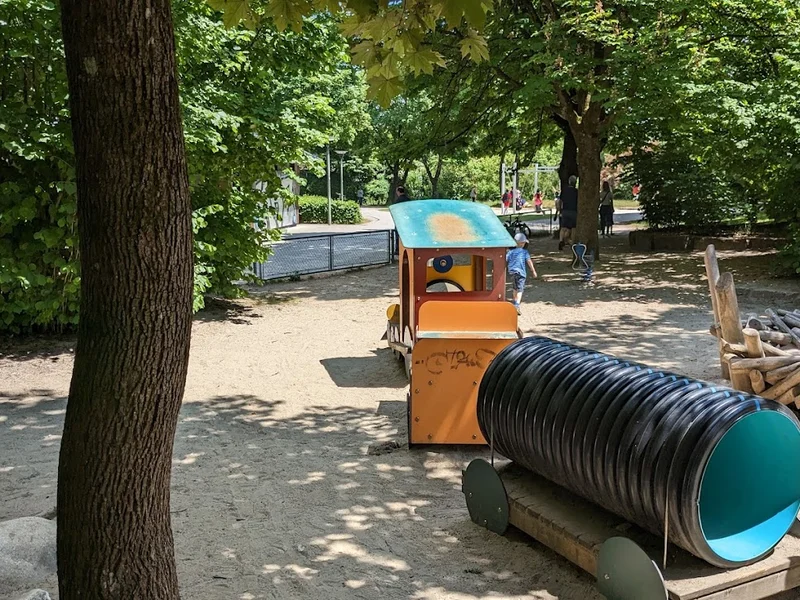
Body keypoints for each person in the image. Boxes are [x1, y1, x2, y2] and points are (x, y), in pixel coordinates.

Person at [507, 232, 538, 315]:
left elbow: (505, 260)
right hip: (521, 273)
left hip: (512, 272)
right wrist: (533, 271)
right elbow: (529, 261)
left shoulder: (510, 252)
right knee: (520, 289)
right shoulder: (524, 252)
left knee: (514, 288)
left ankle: (514, 302)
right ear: (522, 243)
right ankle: (517, 304)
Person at [559, 175, 579, 251]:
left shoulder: (564, 190)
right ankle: (572, 243)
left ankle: (561, 240)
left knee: (563, 227)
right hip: (573, 211)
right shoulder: (576, 192)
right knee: (573, 228)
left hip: (565, 210)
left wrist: (560, 210)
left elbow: (560, 201)